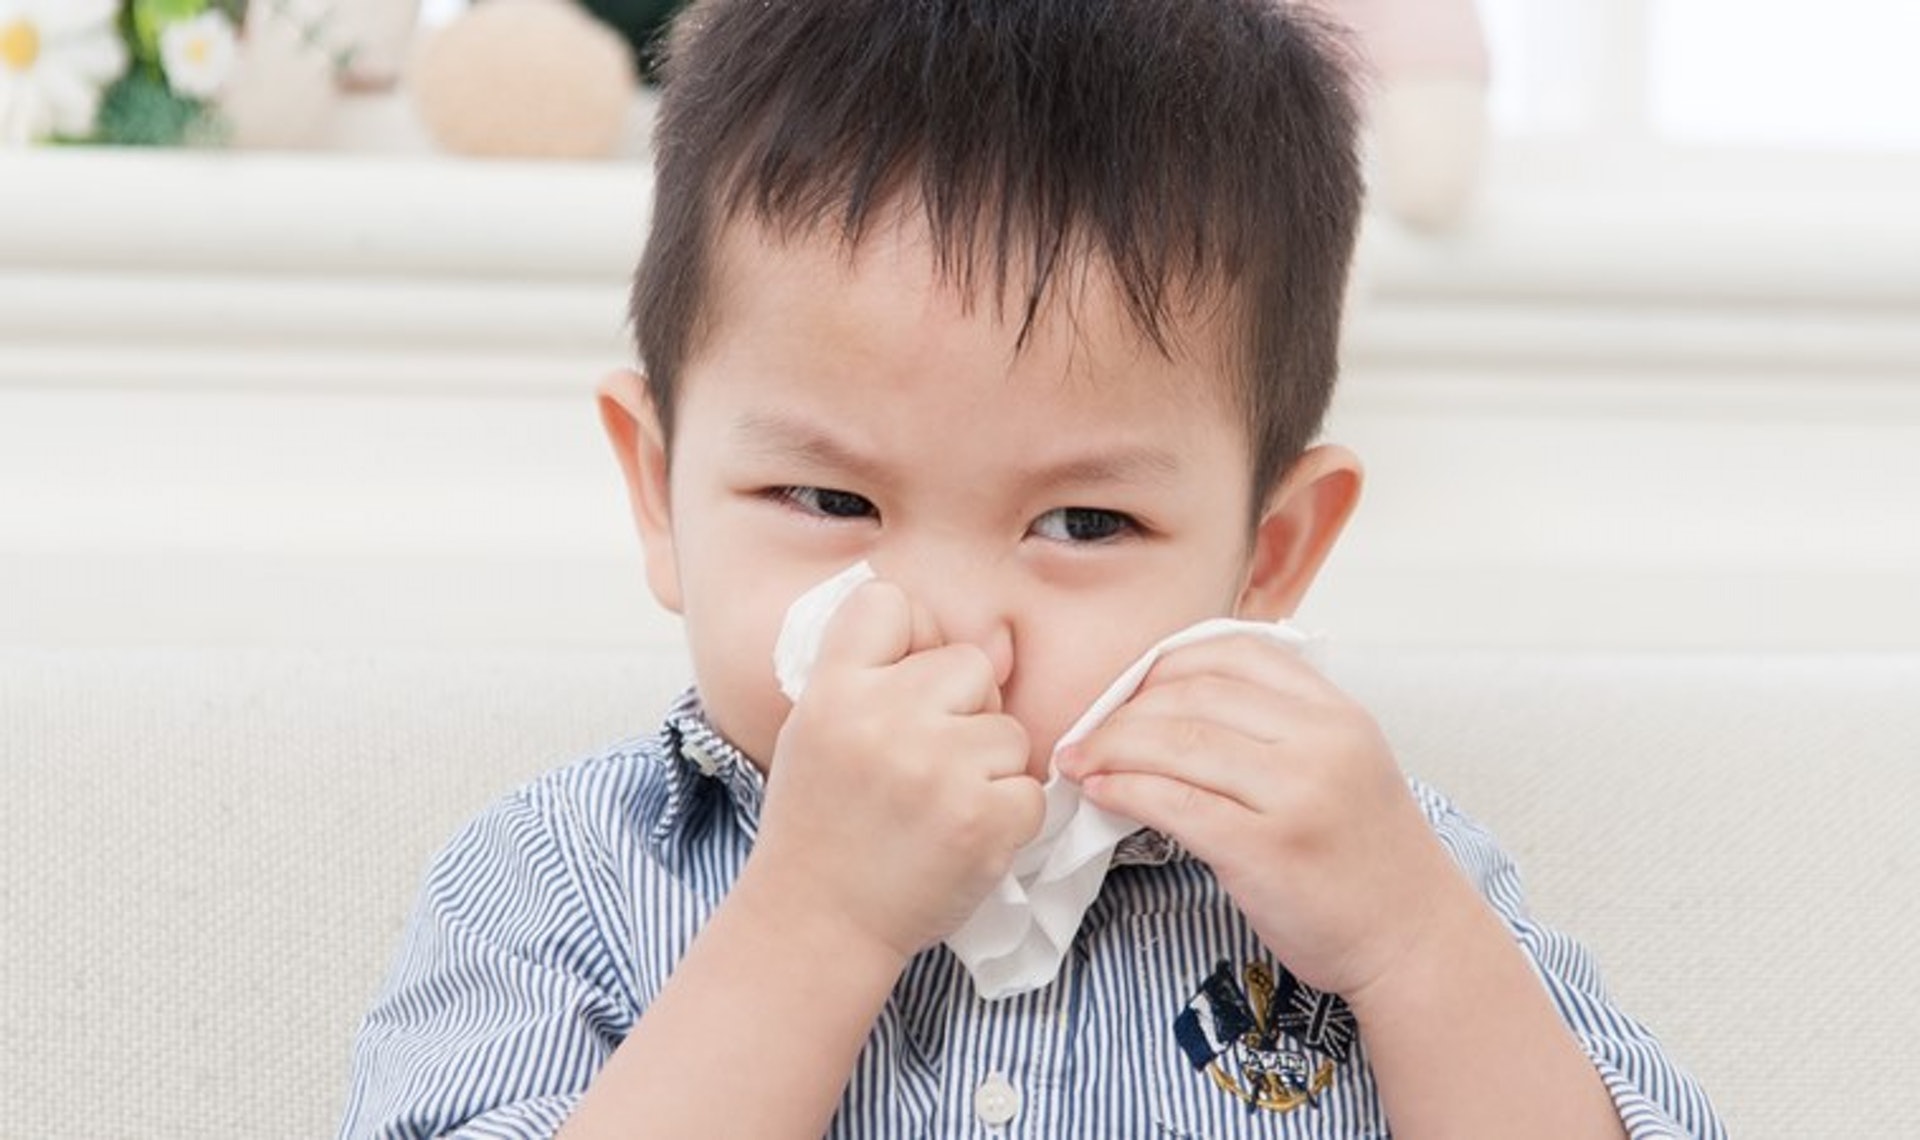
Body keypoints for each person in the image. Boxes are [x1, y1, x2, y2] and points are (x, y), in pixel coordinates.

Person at [341, 1, 1724, 1136]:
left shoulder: (1372, 869)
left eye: (1080, 526)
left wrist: (1416, 953)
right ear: (660, 495)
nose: (950, 624)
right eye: (826, 498)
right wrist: (812, 923)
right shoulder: (564, 883)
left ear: (1270, 553)